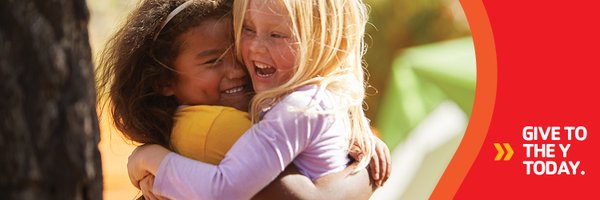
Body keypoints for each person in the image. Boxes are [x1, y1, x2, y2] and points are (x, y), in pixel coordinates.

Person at [96, 0, 389, 199]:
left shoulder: (295, 105)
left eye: (276, 34)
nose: (242, 64)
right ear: (164, 81)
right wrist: (366, 177)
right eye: (249, 30)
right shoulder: (223, 128)